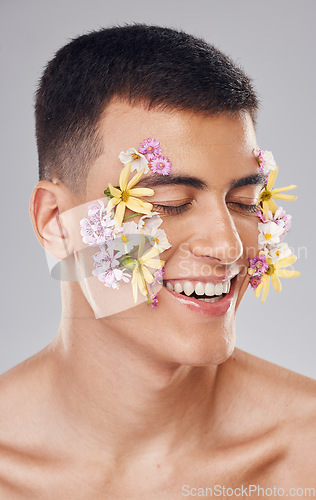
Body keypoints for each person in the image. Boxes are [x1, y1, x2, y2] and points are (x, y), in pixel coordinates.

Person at [0, 24, 315, 499]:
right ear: (56, 222)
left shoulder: (304, 453)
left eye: (245, 201)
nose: (229, 248)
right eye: (170, 203)